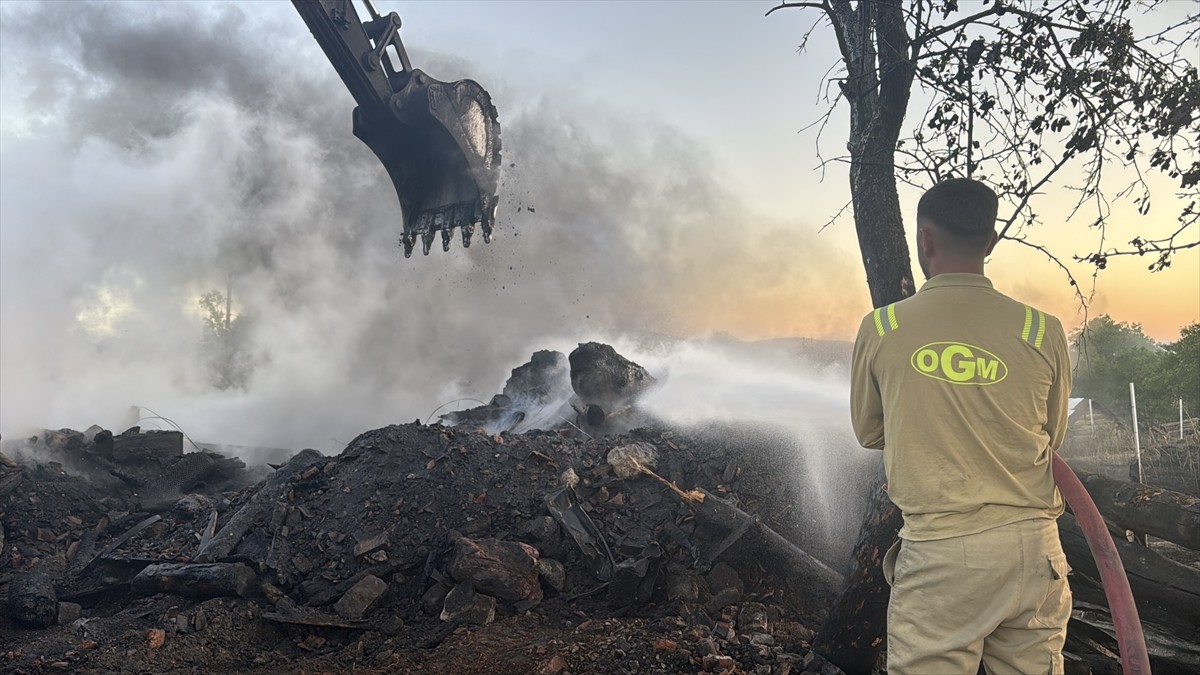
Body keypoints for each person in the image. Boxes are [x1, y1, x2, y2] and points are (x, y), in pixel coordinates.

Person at [850, 178, 1073, 674]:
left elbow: (869, 431)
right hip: (1034, 551)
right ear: (990, 243)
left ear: (925, 241)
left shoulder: (882, 328)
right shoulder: (1043, 330)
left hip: (942, 556)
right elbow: (1051, 437)